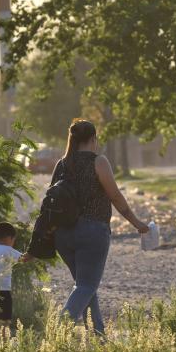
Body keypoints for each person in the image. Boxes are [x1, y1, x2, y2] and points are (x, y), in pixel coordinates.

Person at [51, 119, 149, 335]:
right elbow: (115, 196)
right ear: (94, 139)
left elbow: (51, 200)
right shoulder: (99, 162)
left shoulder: (62, 164)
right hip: (92, 232)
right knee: (87, 286)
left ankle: (98, 334)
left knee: (85, 285)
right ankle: (58, 332)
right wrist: (137, 223)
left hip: (63, 235)